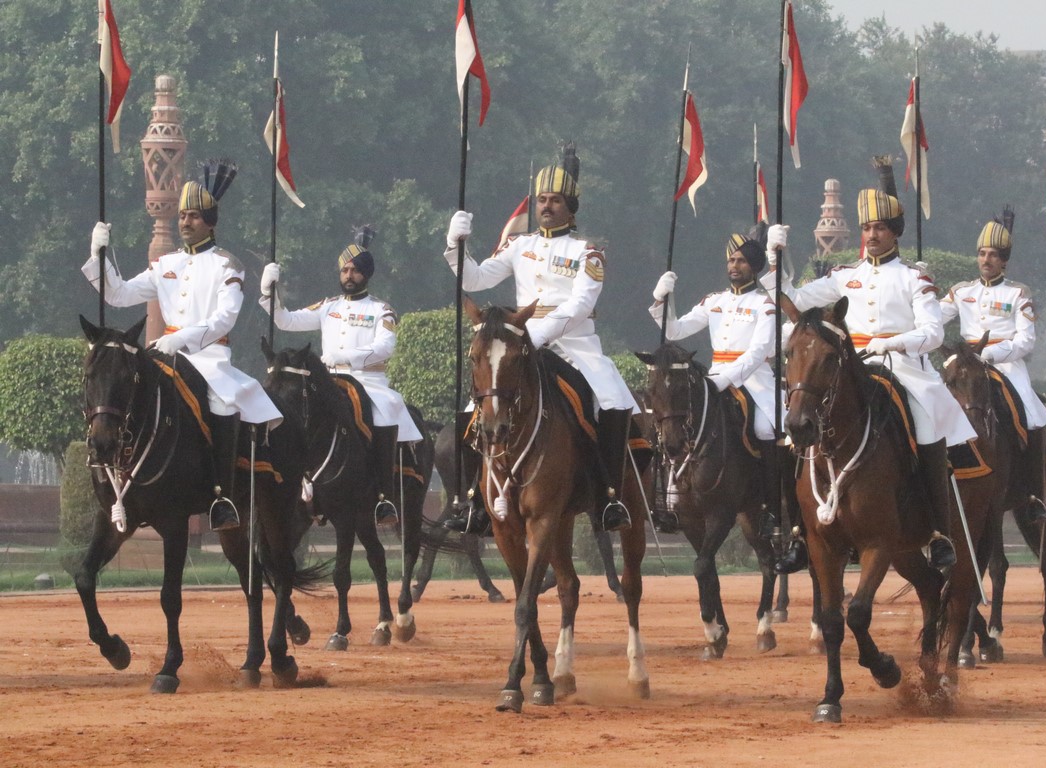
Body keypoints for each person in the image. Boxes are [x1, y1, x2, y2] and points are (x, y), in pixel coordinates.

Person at [765, 157, 977, 572]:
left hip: (903, 368)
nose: (872, 235)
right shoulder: (844, 275)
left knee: (927, 424)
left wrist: (889, 342)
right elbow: (792, 301)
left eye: (879, 228)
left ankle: (936, 532)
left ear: (894, 233)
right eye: (867, 228)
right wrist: (776, 259)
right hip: (848, 367)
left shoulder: (916, 279)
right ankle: (797, 533)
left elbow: (933, 333)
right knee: (796, 432)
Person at [442, 142, 639, 534]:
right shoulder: (520, 245)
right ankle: (470, 502)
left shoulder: (588, 252)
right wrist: (454, 247)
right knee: (472, 410)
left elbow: (581, 304)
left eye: (555, 200)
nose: (546, 206)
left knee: (613, 401)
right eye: (542, 200)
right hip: (519, 343)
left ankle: (608, 496)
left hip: (574, 344)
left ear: (571, 207)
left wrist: (535, 332)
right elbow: (476, 279)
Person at [84, 161, 281, 532]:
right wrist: (99, 256)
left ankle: (222, 496)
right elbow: (119, 294)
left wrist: (183, 337)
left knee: (223, 402)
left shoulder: (229, 266)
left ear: (210, 222)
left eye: (192, 216)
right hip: (165, 352)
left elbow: (225, 318)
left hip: (210, 357)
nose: (184, 222)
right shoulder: (166, 264)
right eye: (182, 215)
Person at [259, 226, 421, 526]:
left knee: (387, 411)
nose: (348, 275)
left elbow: (386, 346)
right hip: (329, 381)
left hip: (368, 382)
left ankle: (384, 497)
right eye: (345, 269)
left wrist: (347, 357)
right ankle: (304, 485)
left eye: (355, 270)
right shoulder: (327, 306)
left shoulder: (382, 310)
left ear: (366, 274)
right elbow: (286, 321)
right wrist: (270, 293)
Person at [649, 230, 797, 543]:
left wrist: (727, 378)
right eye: (731, 259)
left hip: (754, 381)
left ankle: (772, 505)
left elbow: (758, 352)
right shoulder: (715, 302)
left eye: (741, 260)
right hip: (714, 376)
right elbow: (674, 331)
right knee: (677, 424)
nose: (734, 265)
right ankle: (671, 499)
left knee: (768, 428)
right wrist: (662, 300)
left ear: (754, 267)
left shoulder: (765, 305)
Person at [940, 209, 1046, 523]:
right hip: (965, 365)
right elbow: (932, 320)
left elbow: (1026, 341)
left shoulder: (1019, 293)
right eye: (981, 254)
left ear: (1004, 261)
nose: (986, 259)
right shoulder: (962, 291)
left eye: (992, 255)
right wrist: (919, 293)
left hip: (1006, 365)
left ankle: (1032, 495)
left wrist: (990, 355)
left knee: (1032, 417)